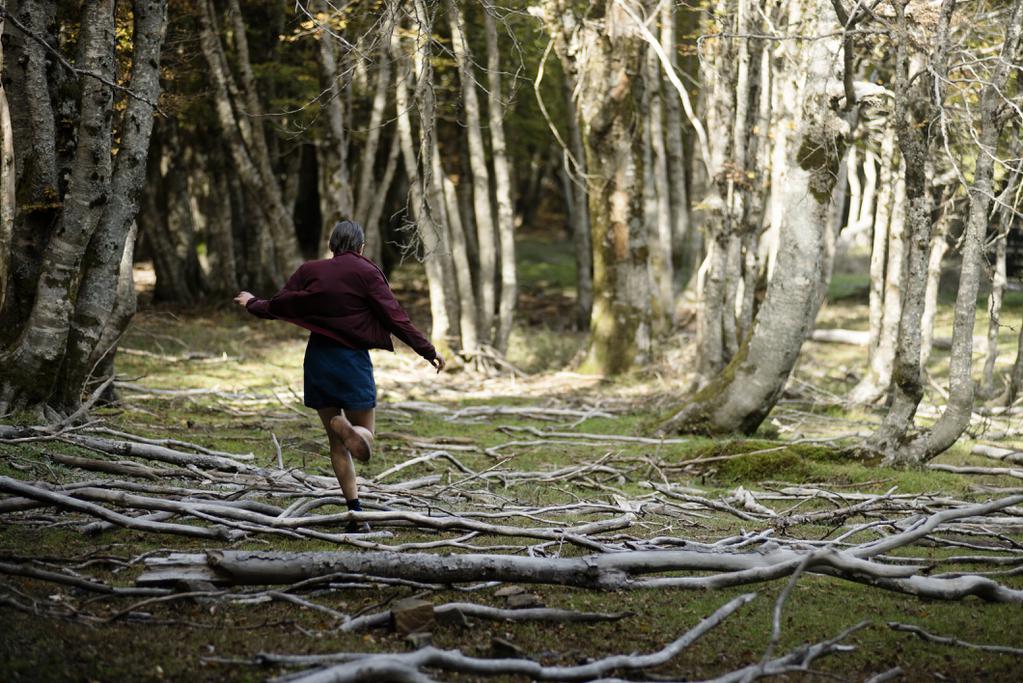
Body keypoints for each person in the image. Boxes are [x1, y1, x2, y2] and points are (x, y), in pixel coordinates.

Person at [234, 220, 444, 533]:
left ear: (332, 246)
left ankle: (355, 514)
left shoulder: (310, 270)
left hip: (318, 361)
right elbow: (395, 317)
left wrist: (252, 303)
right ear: (361, 247)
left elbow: (281, 304)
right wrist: (428, 351)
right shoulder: (366, 272)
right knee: (366, 435)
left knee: (337, 447)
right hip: (351, 363)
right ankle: (353, 431)